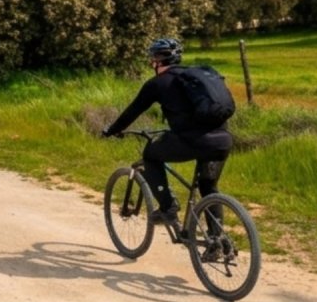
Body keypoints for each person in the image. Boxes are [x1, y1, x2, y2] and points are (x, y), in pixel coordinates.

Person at [100, 38, 233, 225]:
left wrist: (111, 131)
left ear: (156, 61)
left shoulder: (157, 84)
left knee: (151, 155)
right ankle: (218, 242)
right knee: (208, 187)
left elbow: (132, 112)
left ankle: (167, 208)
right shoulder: (195, 78)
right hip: (222, 140)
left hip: (193, 141)